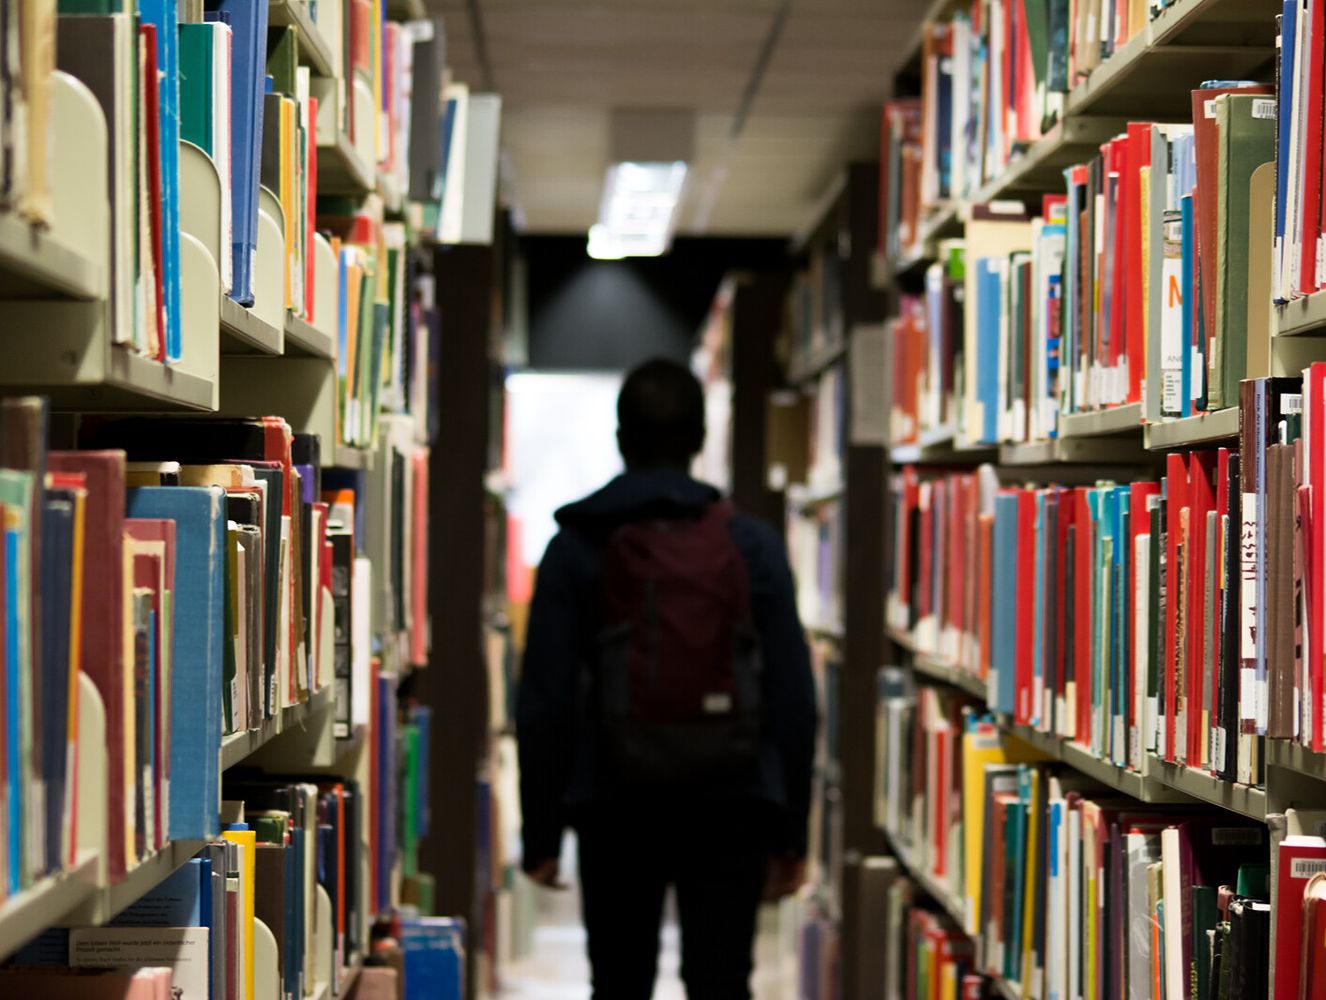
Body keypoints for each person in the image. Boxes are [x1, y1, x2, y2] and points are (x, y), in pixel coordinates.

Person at [516, 357, 818, 1000]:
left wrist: (541, 832)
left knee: (620, 981)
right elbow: (793, 693)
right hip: (732, 800)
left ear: (622, 439)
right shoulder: (752, 545)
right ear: (700, 439)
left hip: (614, 801)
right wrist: (791, 831)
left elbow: (546, 699)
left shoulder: (575, 545)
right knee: (721, 981)